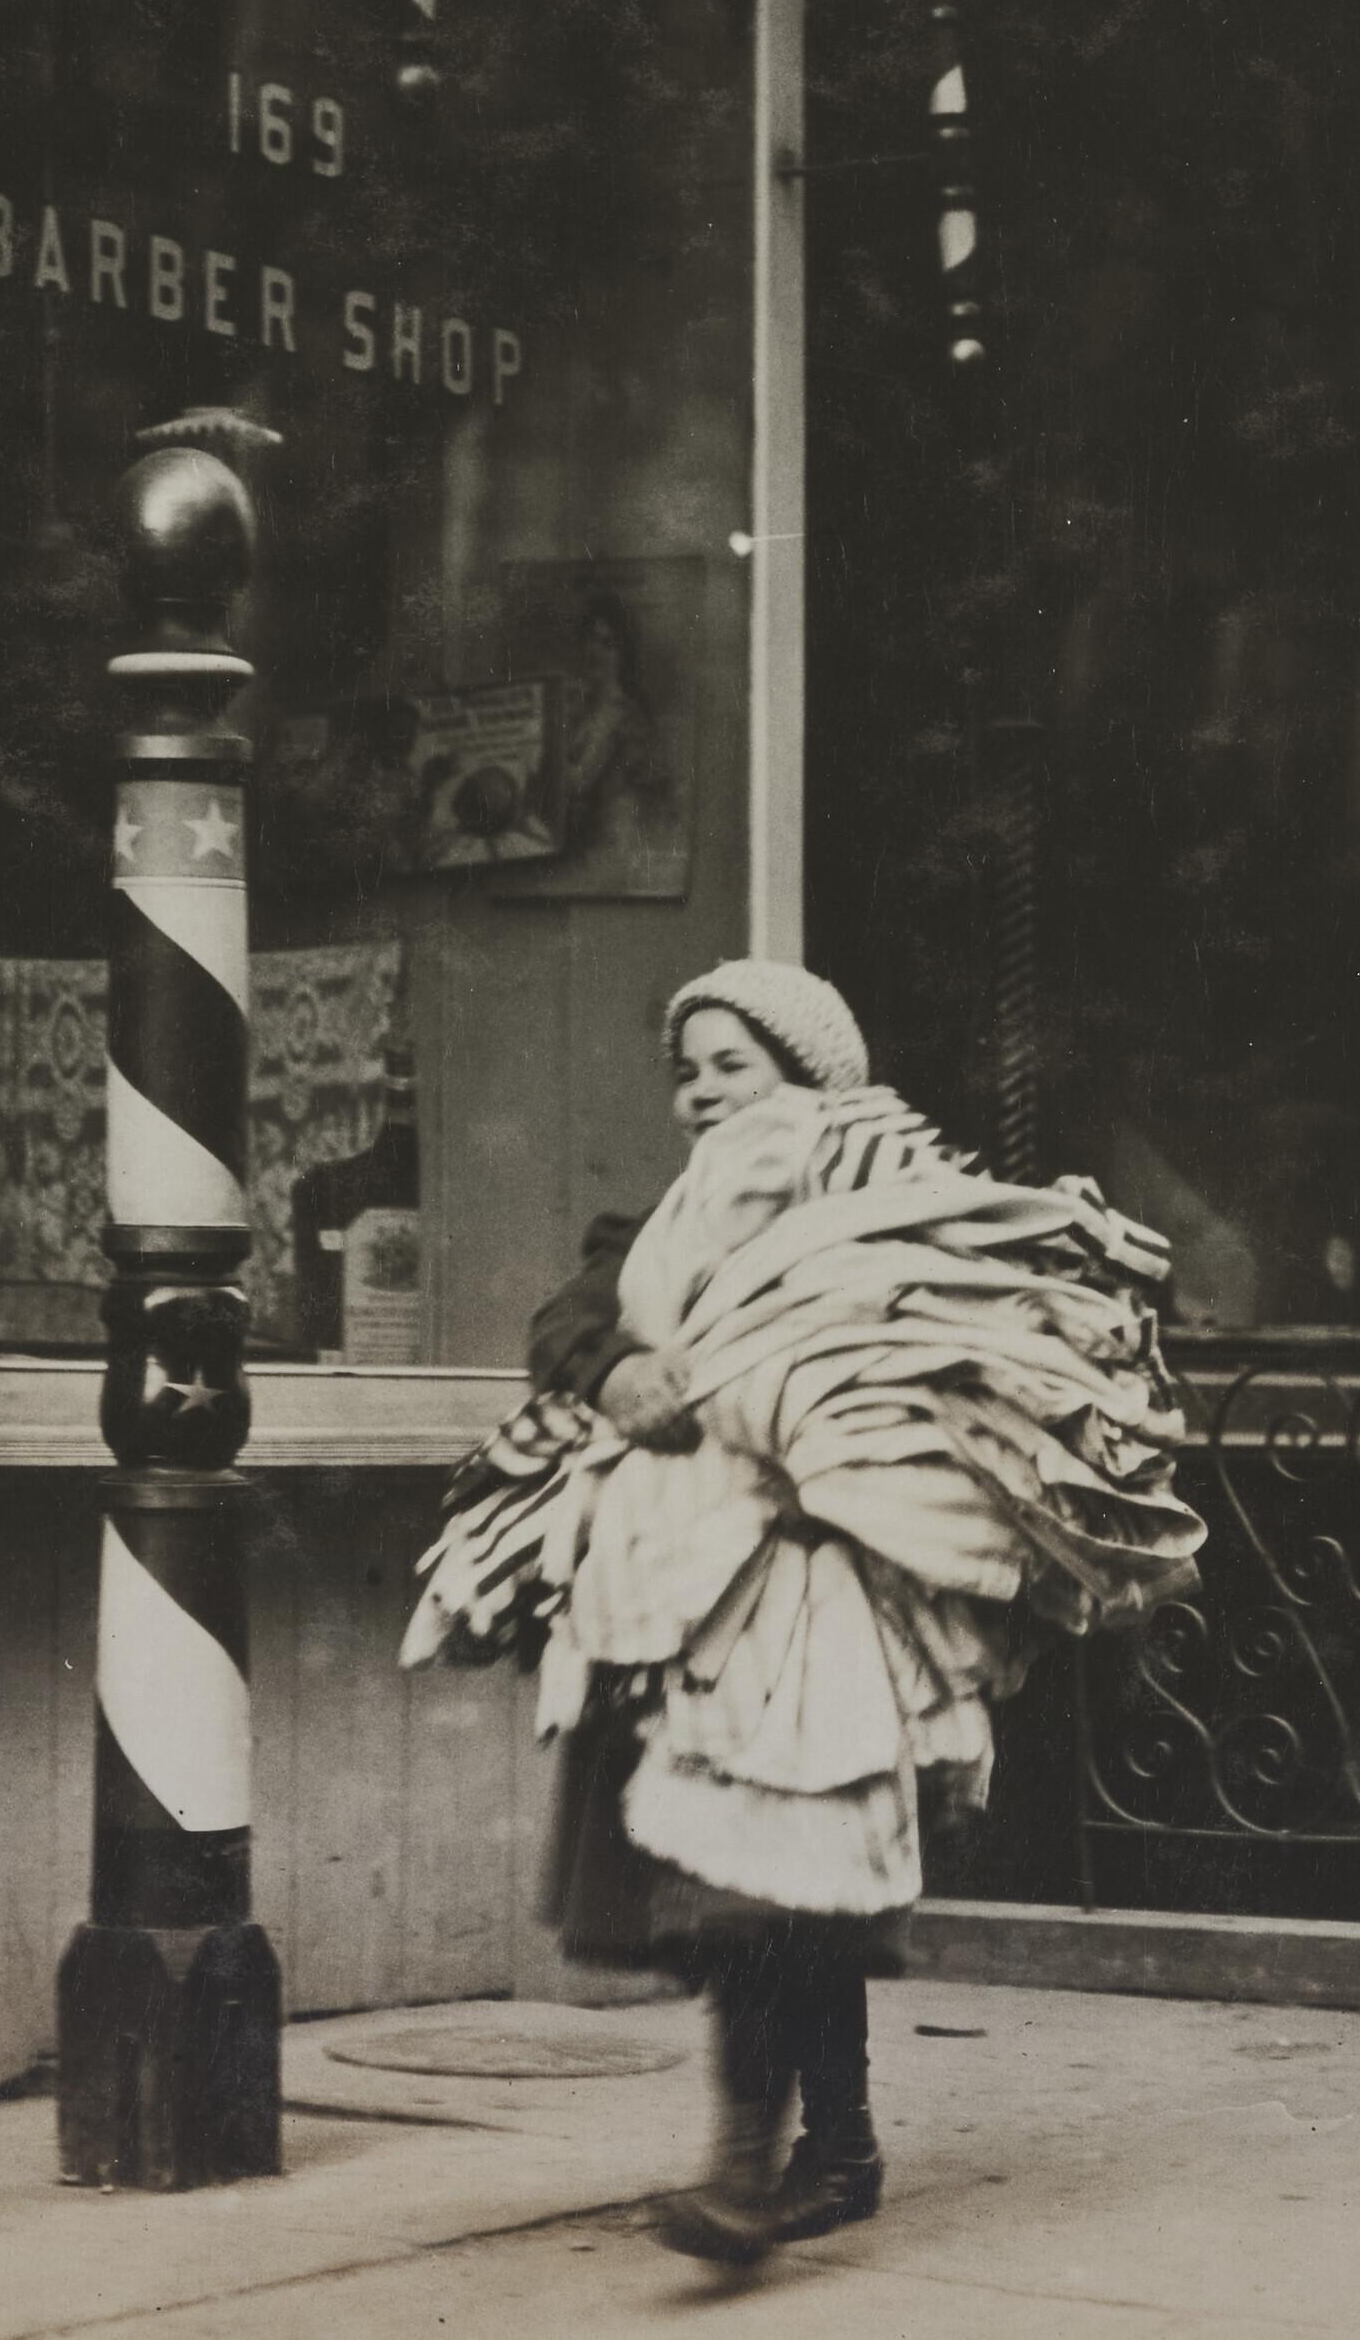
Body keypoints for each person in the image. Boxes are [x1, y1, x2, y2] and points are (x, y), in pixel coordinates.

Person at [404, 960, 1203, 2266]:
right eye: (691, 1068)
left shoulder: (909, 1222)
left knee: (761, 1875)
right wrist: (621, 1369)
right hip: (694, 1597)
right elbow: (572, 1319)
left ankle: (746, 2170)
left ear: (813, 1076)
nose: (702, 1090)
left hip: (834, 1594)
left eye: (734, 1063)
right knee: (777, 1886)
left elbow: (969, 1371)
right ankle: (835, 2147)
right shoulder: (664, 1231)